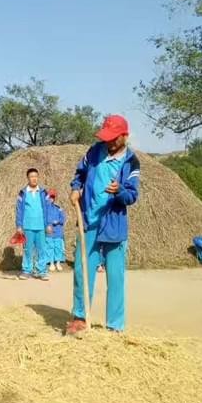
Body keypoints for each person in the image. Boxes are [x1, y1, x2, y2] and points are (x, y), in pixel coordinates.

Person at [65, 114, 140, 335]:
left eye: (114, 138)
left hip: (114, 226)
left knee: (115, 278)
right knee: (82, 271)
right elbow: (80, 173)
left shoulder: (131, 162)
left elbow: (132, 196)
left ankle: (114, 326)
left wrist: (120, 191)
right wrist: (76, 188)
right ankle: (80, 317)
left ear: (124, 136)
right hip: (89, 222)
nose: (109, 142)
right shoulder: (94, 151)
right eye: (107, 137)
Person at [15, 168, 52, 280]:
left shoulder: (43, 192)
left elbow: (48, 208)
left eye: (36, 176)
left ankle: (42, 271)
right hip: (27, 226)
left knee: (42, 249)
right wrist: (19, 225)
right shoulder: (22, 193)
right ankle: (27, 270)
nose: (34, 179)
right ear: (28, 178)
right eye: (32, 176)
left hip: (41, 225)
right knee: (28, 249)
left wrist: (48, 224)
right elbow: (19, 210)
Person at [46, 189, 66, 272]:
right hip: (49, 231)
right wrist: (49, 224)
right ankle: (51, 263)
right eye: (50, 197)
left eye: (53, 197)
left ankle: (58, 262)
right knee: (49, 247)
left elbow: (63, 218)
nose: (51, 199)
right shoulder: (44, 209)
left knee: (58, 247)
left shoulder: (58, 208)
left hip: (58, 231)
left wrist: (58, 221)